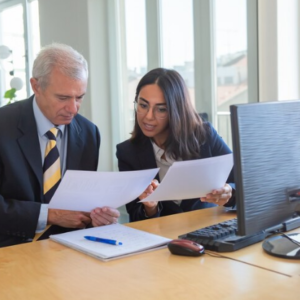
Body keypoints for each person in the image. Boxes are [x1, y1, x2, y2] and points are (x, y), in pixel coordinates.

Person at [0, 43, 119, 247]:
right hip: (10, 248)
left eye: (79, 97)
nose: (73, 109)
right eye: (63, 98)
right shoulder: (4, 125)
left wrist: (97, 217)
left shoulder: (89, 133)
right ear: (36, 86)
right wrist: (49, 215)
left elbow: (82, 200)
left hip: (70, 249)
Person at [116, 68, 235, 222]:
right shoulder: (127, 152)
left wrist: (229, 192)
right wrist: (150, 207)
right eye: (143, 105)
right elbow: (135, 215)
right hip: (161, 238)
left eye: (161, 109)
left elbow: (242, 182)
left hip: (208, 231)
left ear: (176, 110)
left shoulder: (205, 136)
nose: (148, 117)